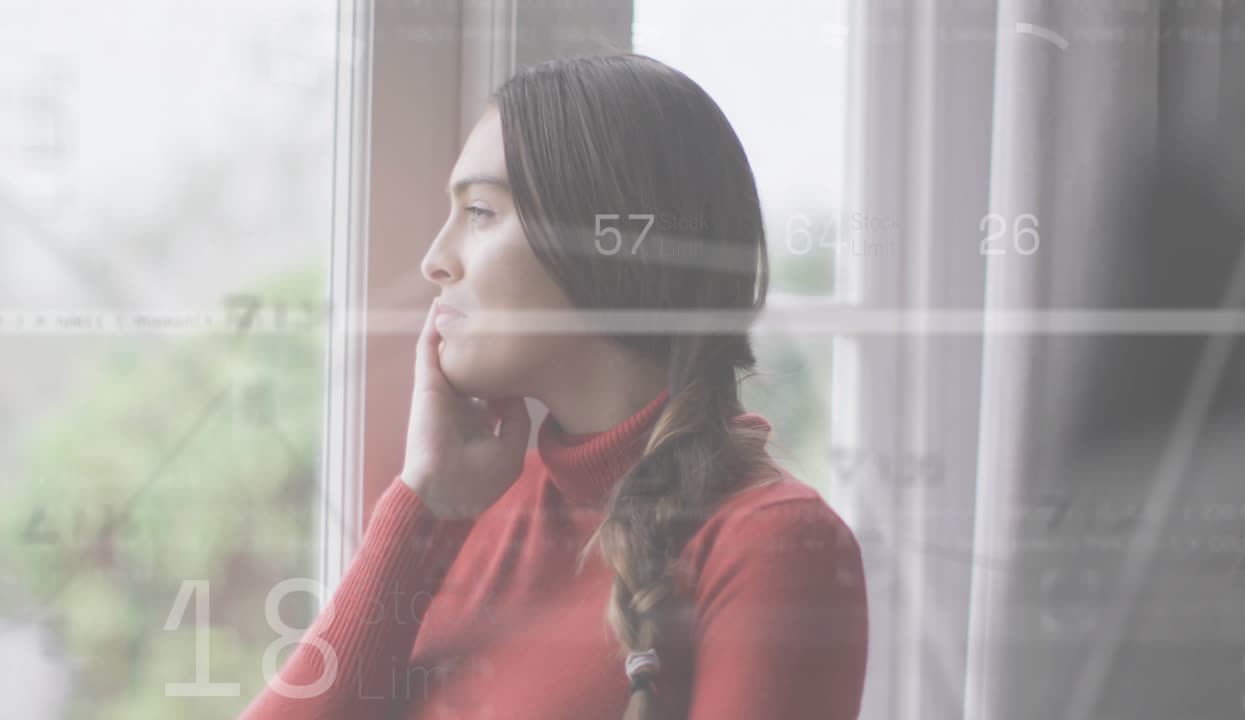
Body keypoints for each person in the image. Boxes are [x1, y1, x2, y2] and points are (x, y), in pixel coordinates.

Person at [240, 53, 868, 720]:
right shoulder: (471, 508)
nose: (435, 260)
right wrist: (423, 504)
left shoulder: (774, 547)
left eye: (480, 212)